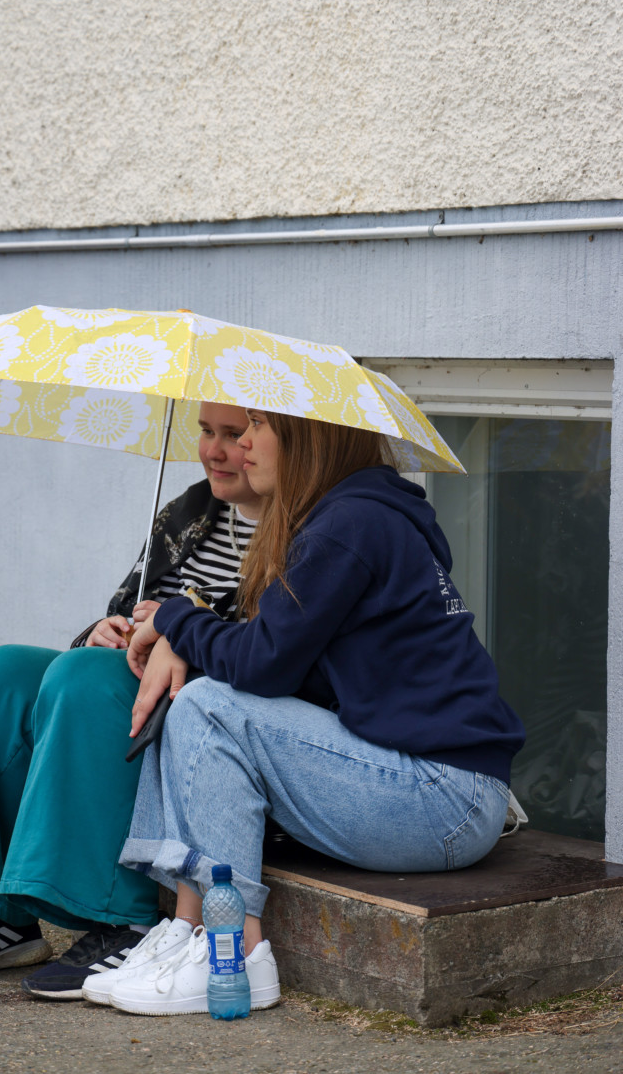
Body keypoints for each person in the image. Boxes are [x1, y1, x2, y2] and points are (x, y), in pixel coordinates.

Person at [79, 408, 526, 1015]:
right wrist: (188, 637)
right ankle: (187, 931)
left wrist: (180, 619)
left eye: (257, 427)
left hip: (443, 797)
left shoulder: (348, 525)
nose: (242, 444)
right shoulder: (346, 517)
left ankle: (236, 954)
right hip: (425, 783)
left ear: (308, 438)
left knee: (208, 704)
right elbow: (282, 667)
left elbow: (264, 663)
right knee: (195, 696)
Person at [0, 402, 263, 1000]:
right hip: (135, 668)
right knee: (0, 675)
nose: (215, 449)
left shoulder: (298, 531)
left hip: (204, 690)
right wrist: (104, 631)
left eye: (234, 434)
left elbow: (268, 646)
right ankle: (2, 916)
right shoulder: (191, 510)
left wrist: (179, 627)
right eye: (207, 431)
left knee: (85, 678)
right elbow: (124, 605)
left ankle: (122, 918)